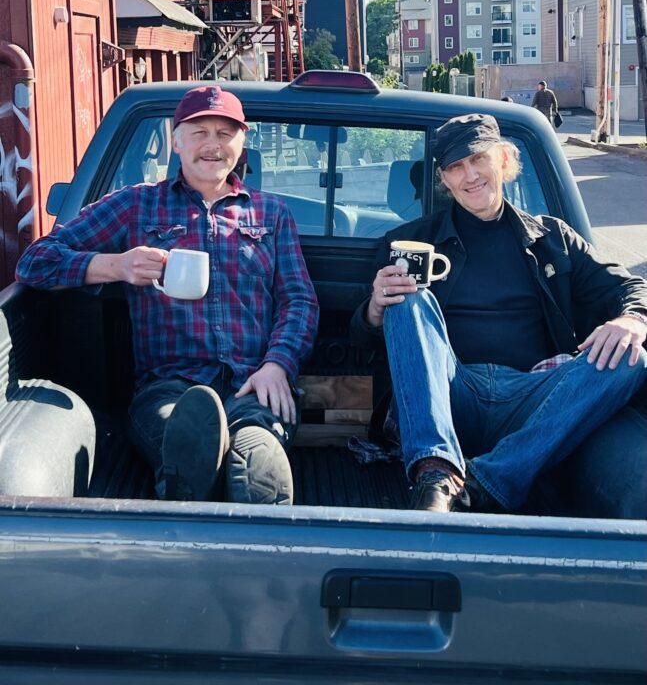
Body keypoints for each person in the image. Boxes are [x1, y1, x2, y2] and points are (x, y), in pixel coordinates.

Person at [16, 85, 319, 505]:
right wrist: (117, 266)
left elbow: (298, 300)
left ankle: (254, 514)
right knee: (185, 447)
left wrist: (277, 365)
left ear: (242, 143)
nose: (212, 144)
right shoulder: (136, 205)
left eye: (224, 133)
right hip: (167, 388)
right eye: (199, 132)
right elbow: (35, 261)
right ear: (176, 141)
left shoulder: (271, 213)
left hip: (253, 385)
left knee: (258, 460)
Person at [350, 113, 647, 514]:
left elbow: (629, 286)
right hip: (449, 393)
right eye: (456, 167)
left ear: (504, 161)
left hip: (536, 399)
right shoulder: (408, 243)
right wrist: (374, 308)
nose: (470, 175)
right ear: (444, 179)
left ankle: (486, 481)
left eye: (478, 159)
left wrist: (631, 318)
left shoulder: (553, 239)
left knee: (631, 358)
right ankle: (435, 474)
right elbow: (361, 341)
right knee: (412, 301)